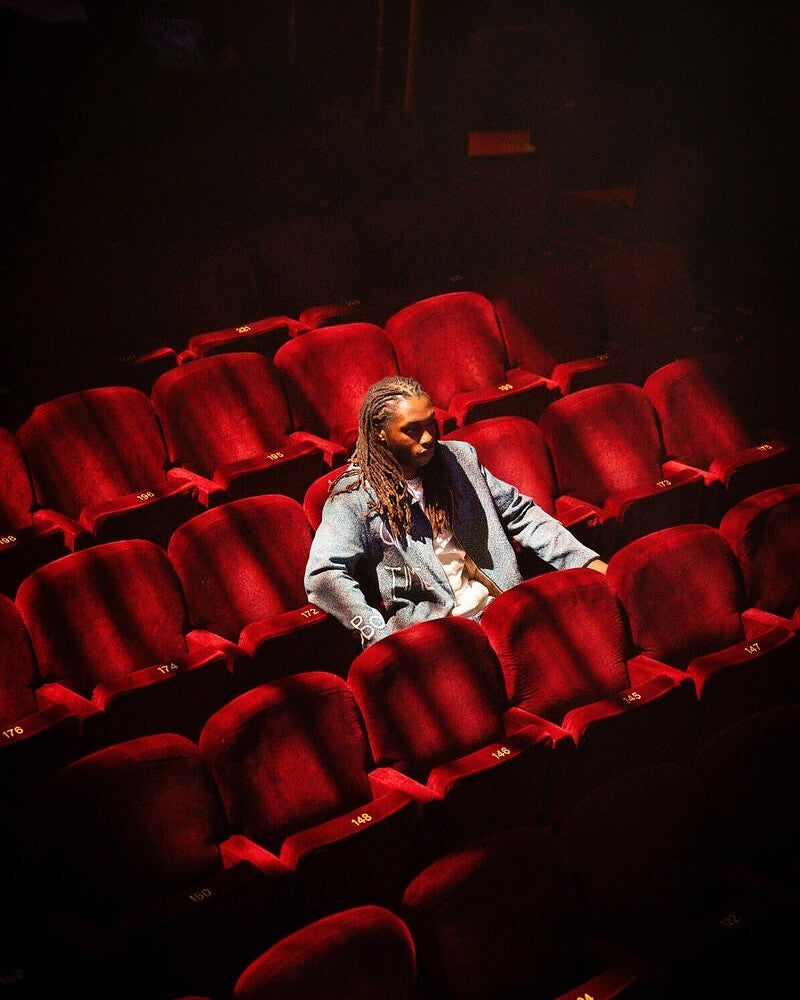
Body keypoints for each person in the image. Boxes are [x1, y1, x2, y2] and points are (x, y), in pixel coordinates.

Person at [305, 375, 607, 648]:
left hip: (504, 611)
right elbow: (323, 575)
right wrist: (377, 635)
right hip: (439, 638)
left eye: (430, 424)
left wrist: (586, 561)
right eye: (412, 430)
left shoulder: (460, 458)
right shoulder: (354, 496)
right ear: (380, 432)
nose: (427, 437)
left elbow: (521, 513)